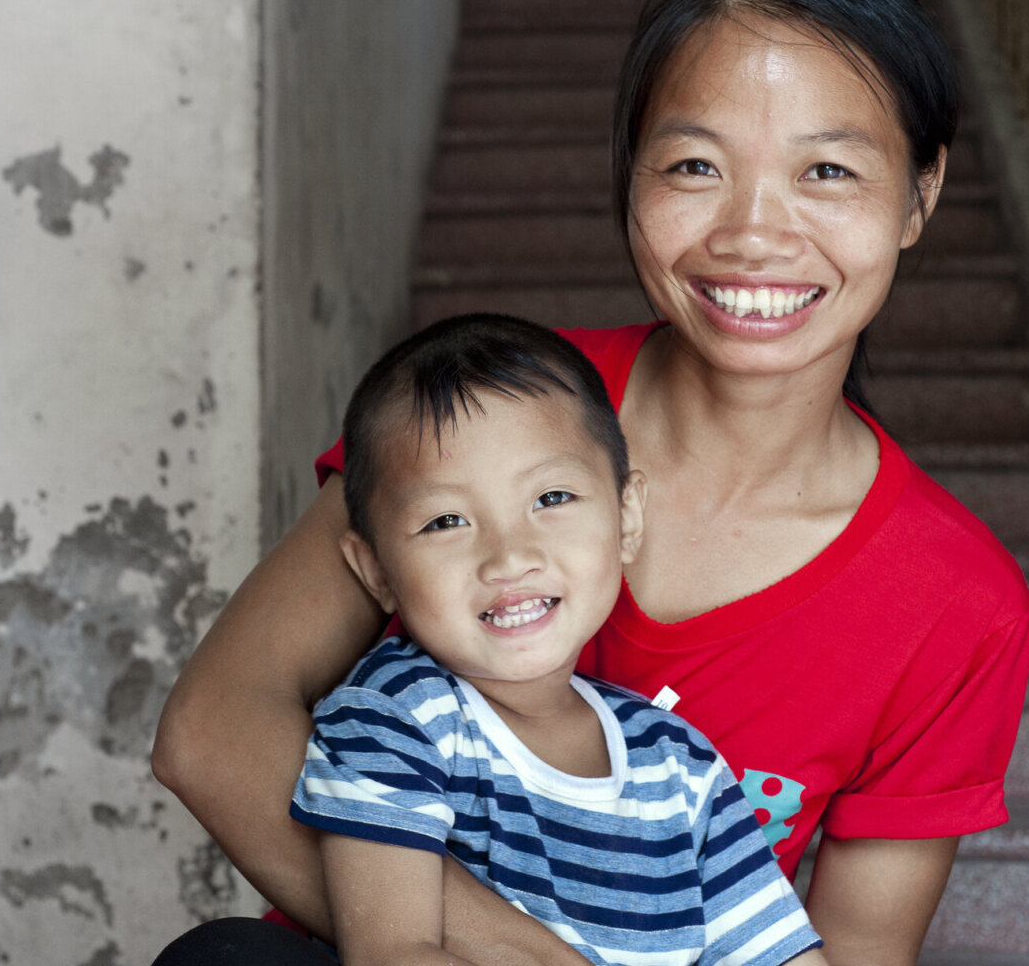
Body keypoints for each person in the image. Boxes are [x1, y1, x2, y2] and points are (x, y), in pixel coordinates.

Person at [153, 0, 1029, 966]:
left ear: (919, 196)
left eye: (828, 172)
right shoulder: (478, 410)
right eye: (697, 164)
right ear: (631, 178)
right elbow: (213, 733)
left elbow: (850, 952)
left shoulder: (954, 605)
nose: (754, 232)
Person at [289, 312, 825, 966]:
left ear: (627, 518)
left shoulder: (678, 762)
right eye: (446, 520)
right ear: (376, 572)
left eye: (552, 498)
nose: (509, 556)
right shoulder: (396, 719)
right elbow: (394, 952)